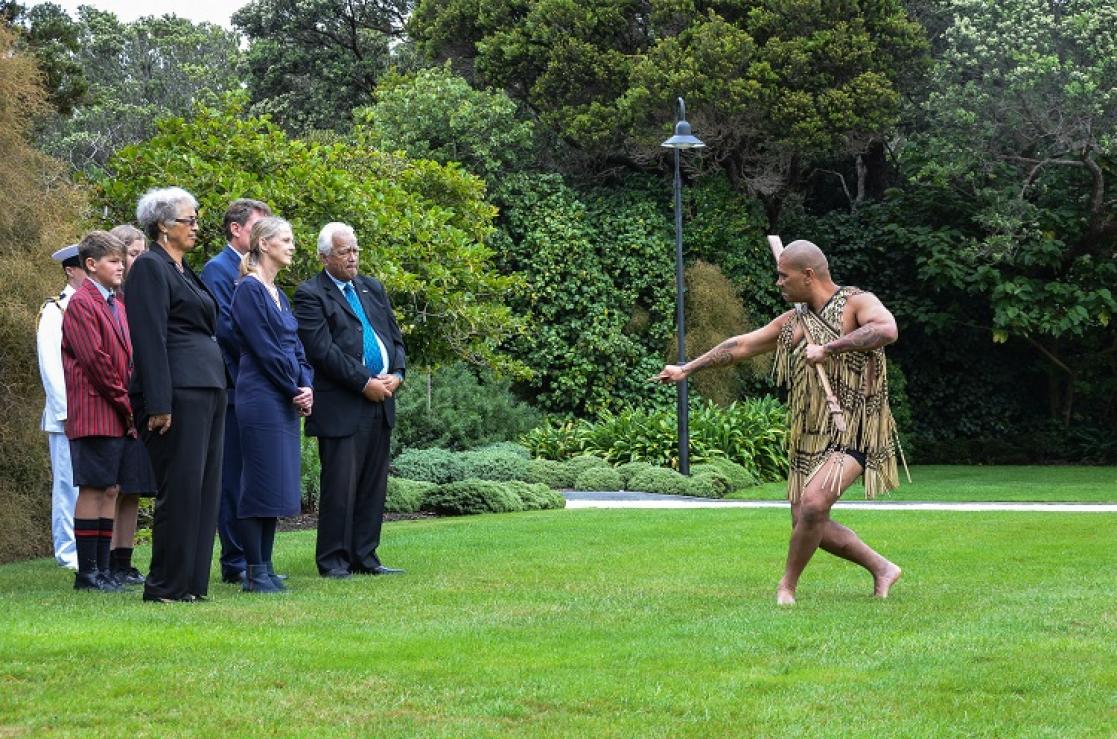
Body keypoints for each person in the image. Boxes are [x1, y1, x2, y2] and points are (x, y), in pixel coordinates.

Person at [653, 240, 904, 606]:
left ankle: (786, 587)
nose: (778, 283)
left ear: (808, 275)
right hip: (811, 430)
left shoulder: (857, 302)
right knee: (806, 519)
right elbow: (740, 346)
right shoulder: (795, 321)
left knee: (815, 506)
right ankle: (882, 568)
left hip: (855, 425)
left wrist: (829, 348)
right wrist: (686, 369)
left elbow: (886, 329)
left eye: (783, 277)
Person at [127, 187, 227, 603]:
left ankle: (190, 584)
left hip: (208, 386)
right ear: (164, 225)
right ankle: (165, 585)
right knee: (181, 487)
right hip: (179, 392)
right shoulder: (150, 267)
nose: (196, 227)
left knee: (204, 489)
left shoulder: (184, 269)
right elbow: (149, 338)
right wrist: (159, 402)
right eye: (190, 220)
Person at [294, 222, 406, 579]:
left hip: (381, 401)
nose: (353, 257)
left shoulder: (371, 288)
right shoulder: (310, 294)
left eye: (355, 250)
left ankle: (365, 556)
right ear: (325, 256)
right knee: (340, 486)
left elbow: (394, 337)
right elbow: (321, 351)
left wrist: (397, 373)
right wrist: (364, 382)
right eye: (345, 251)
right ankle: (333, 560)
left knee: (373, 485)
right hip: (342, 404)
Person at [229, 217, 313, 592]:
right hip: (261, 395)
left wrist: (306, 384)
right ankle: (254, 571)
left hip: (282, 395)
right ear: (263, 244)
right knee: (258, 483)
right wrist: (294, 385)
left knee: (276, 484)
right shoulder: (249, 290)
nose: (292, 246)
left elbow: (296, 347)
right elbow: (263, 348)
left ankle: (266, 567)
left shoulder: (278, 294)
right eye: (286, 239)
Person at [61, 231, 148, 592]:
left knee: (111, 489)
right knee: (94, 489)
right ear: (92, 265)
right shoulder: (83, 303)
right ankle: (88, 572)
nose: (121, 266)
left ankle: (104, 569)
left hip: (116, 411)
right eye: (114, 261)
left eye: (121, 260)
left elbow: (127, 357)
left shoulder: (116, 303)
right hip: (97, 411)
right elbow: (96, 362)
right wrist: (127, 402)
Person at [200, 199, 273, 585]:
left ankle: (256, 557)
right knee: (233, 478)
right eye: (258, 228)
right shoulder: (218, 269)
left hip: (259, 388)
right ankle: (235, 560)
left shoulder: (261, 273)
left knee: (256, 474)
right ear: (236, 230)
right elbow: (227, 328)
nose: (264, 237)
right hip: (234, 386)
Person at [101, 223, 155, 585]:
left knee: (134, 485)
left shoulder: (145, 294)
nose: (136, 261)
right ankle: (103, 560)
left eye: (140, 254)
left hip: (140, 400)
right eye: (131, 254)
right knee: (114, 486)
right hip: (116, 401)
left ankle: (124, 559)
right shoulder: (112, 300)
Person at [36, 244, 85, 571]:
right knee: (68, 485)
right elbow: (51, 367)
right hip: (66, 415)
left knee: (89, 485)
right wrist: (67, 412)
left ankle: (90, 548)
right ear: (70, 269)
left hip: (92, 414)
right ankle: (68, 552)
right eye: (86, 265)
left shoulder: (96, 305)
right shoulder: (56, 310)